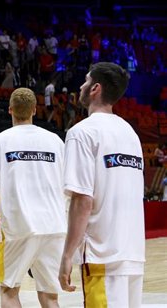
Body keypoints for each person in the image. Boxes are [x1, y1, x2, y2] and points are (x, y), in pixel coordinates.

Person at [58, 63, 145, 307]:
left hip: (102, 256)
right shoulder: (130, 133)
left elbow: (82, 200)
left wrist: (67, 255)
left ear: (95, 88)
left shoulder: (82, 132)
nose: (81, 86)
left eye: (85, 81)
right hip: (133, 254)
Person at [0, 87, 66, 308]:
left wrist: (6, 212)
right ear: (34, 110)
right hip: (55, 225)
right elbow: (66, 185)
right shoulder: (55, 141)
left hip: (19, 227)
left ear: (10, 110)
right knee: (50, 296)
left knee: (9, 291)